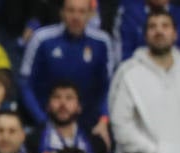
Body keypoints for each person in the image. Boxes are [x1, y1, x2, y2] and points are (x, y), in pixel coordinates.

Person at [109, 9, 180, 153]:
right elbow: (121, 128)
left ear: (175, 33)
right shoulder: (128, 72)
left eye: (165, 26)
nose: (159, 31)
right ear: (145, 34)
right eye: (153, 27)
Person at [19, 0, 116, 132]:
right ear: (62, 13)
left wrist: (104, 120)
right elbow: (26, 85)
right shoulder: (41, 39)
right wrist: (42, 122)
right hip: (44, 124)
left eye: (82, 11)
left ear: (90, 15)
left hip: (89, 126)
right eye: (71, 10)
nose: (76, 16)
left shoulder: (102, 42)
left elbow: (108, 87)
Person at [31, 81, 108, 153]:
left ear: (79, 107)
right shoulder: (33, 141)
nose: (63, 104)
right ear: (48, 105)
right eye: (57, 97)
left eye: (69, 98)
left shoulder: (95, 143)